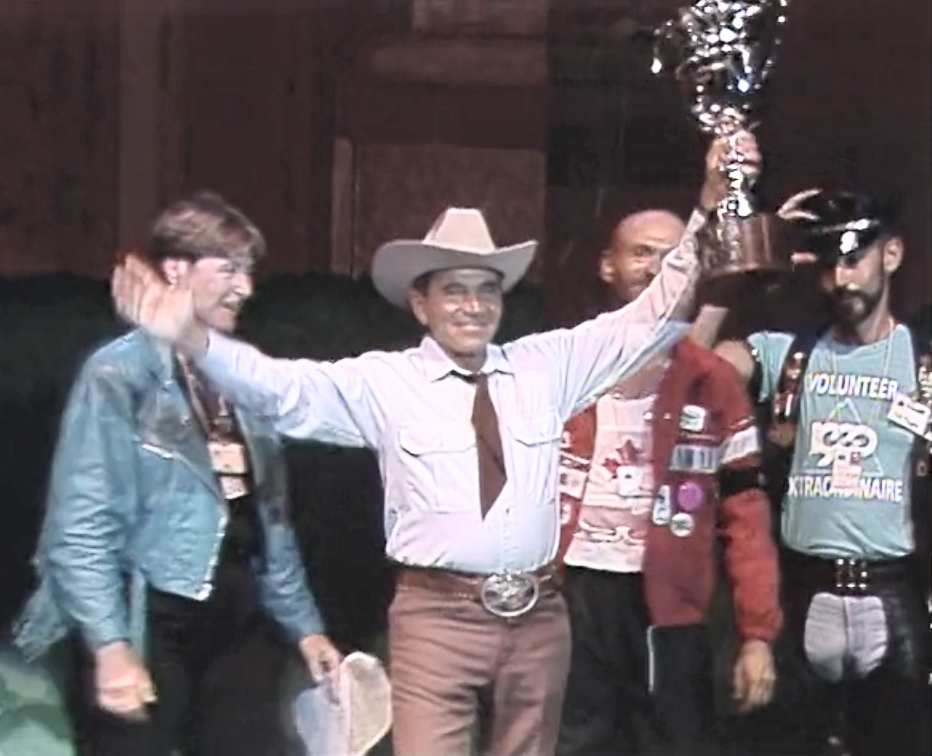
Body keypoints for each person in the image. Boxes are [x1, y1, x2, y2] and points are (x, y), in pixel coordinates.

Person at [109, 133, 759, 756]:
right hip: (437, 619)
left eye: (485, 289)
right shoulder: (384, 382)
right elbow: (280, 390)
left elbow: (653, 318)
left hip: (538, 615)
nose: (472, 306)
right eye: (454, 289)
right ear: (421, 304)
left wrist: (707, 204)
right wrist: (191, 337)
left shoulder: (546, 365)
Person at [13, 191, 341, 756]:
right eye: (229, 269)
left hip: (235, 615)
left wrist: (304, 625)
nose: (246, 287)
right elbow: (81, 527)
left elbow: (269, 521)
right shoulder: (118, 373)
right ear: (175, 270)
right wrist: (111, 644)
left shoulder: (241, 376)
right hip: (149, 612)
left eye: (249, 272)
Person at [554, 209, 781, 756]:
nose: (656, 267)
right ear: (606, 265)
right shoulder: (558, 364)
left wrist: (756, 635)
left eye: (671, 254)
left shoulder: (712, 380)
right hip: (571, 597)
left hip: (671, 608)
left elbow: (745, 515)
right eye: (641, 253)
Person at [714, 188, 931, 756]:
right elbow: (691, 373)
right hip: (803, 589)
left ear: (891, 254)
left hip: (895, 591)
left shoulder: (922, 360)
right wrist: (749, 268)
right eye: (828, 264)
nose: (842, 279)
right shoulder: (788, 355)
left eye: (854, 259)